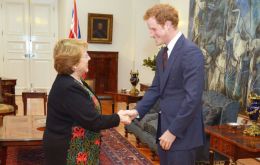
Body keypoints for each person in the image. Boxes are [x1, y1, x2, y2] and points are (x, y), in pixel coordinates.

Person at [125, 4, 205, 164]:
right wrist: (137, 111)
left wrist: (173, 131)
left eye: (153, 29)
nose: (150, 34)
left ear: (167, 24)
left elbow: (193, 99)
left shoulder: (190, 52)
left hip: (182, 134)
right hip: (165, 129)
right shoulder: (162, 53)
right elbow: (156, 89)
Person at [43, 38, 131, 165]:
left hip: (80, 145)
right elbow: (93, 121)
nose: (89, 58)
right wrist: (119, 118)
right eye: (85, 55)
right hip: (68, 150)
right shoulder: (68, 87)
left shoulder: (74, 81)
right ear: (73, 64)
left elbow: (88, 114)